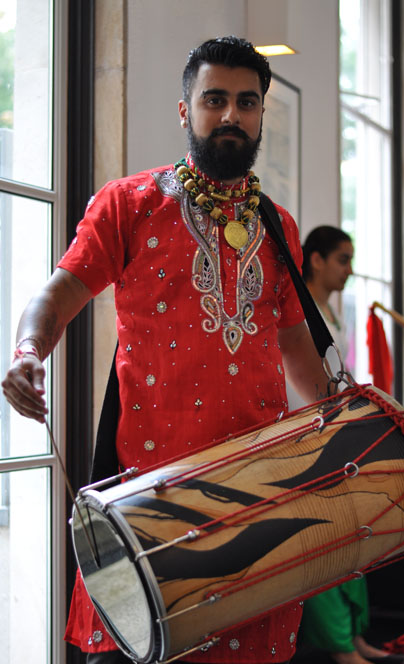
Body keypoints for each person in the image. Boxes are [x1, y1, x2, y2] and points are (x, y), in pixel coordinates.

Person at [1, 37, 332, 664]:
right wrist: (27, 351)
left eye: (246, 102)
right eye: (214, 99)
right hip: (147, 496)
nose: (231, 115)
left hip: (258, 495)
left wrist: (347, 429)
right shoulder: (129, 204)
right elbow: (58, 294)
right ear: (186, 111)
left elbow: (298, 353)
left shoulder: (279, 227)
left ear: (261, 113)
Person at [297, 226, 402, 664]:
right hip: (308, 441)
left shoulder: (330, 312)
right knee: (322, 544)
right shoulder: (300, 313)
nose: (350, 270)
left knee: (353, 537)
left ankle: (355, 637)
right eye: (343, 259)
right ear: (316, 260)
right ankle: (340, 646)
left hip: (338, 434)